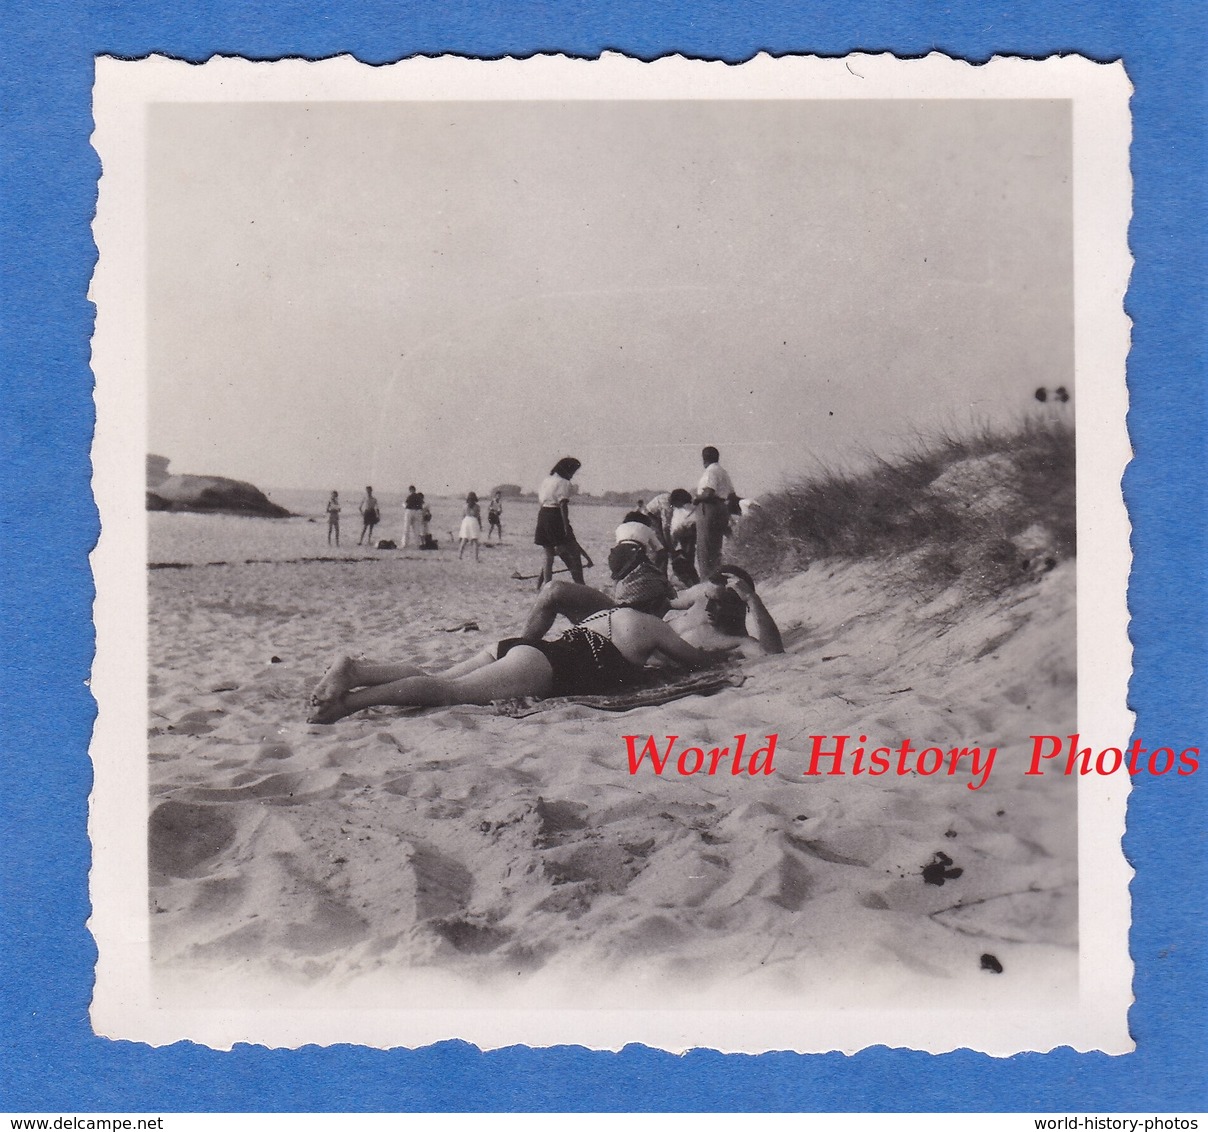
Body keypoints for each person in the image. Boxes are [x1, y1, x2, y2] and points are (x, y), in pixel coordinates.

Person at [306, 604, 734, 724]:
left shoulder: (618, 614)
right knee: (445, 691)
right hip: (543, 667)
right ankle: (352, 704)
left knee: (433, 677)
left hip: (519, 648)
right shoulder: (654, 629)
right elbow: (699, 663)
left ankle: (359, 672)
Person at [534, 457, 584, 586]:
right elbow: (563, 505)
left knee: (548, 555)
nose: (573, 475)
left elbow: (541, 502)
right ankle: (580, 584)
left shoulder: (546, 481)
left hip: (543, 515)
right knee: (572, 554)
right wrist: (566, 526)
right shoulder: (564, 483)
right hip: (555, 516)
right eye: (573, 471)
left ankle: (544, 585)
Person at [694, 446, 737, 581]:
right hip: (721, 508)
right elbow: (732, 495)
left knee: (705, 550)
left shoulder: (710, 471)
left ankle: (707, 583)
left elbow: (708, 493)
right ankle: (716, 580)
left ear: (704, 459)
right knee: (715, 549)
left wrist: (696, 499)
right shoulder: (723, 472)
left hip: (709, 508)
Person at [458, 492, 482, 562]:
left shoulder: (465, 506)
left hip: (466, 522)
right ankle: (476, 558)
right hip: (473, 522)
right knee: (475, 541)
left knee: (464, 540)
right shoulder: (477, 506)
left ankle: (460, 556)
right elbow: (478, 516)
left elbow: (463, 516)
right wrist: (480, 525)